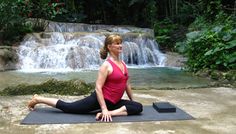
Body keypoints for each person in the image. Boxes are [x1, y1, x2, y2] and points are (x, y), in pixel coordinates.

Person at [27, 34, 143, 122]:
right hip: (99, 100)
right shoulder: (106, 66)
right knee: (68, 107)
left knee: (138, 107)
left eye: (120, 43)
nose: (120, 45)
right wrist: (103, 108)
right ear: (109, 47)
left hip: (114, 102)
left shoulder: (122, 63)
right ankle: (38, 99)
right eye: (117, 43)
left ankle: (110, 113)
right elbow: (98, 87)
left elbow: (126, 84)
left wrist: (132, 101)